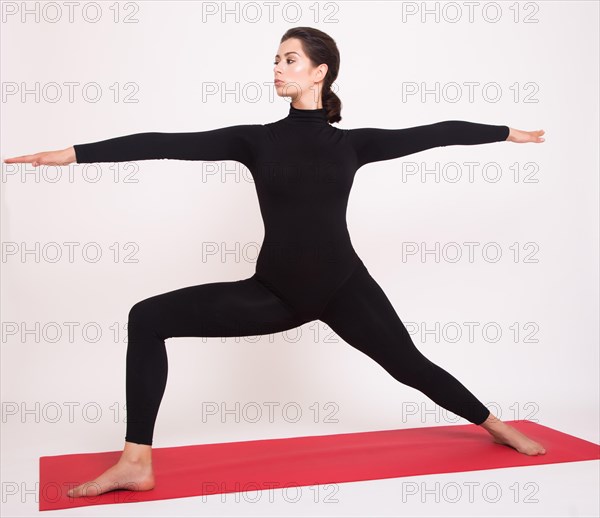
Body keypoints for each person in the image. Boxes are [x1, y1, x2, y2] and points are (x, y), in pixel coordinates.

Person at [5, 27, 546, 498]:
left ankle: (496, 425)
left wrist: (508, 133)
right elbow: (164, 142)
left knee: (409, 366)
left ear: (320, 72)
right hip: (276, 293)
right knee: (147, 318)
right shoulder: (256, 141)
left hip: (343, 287)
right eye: (275, 60)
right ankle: (135, 462)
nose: (276, 69)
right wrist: (72, 154)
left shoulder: (353, 144)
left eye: (289, 59)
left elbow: (436, 133)